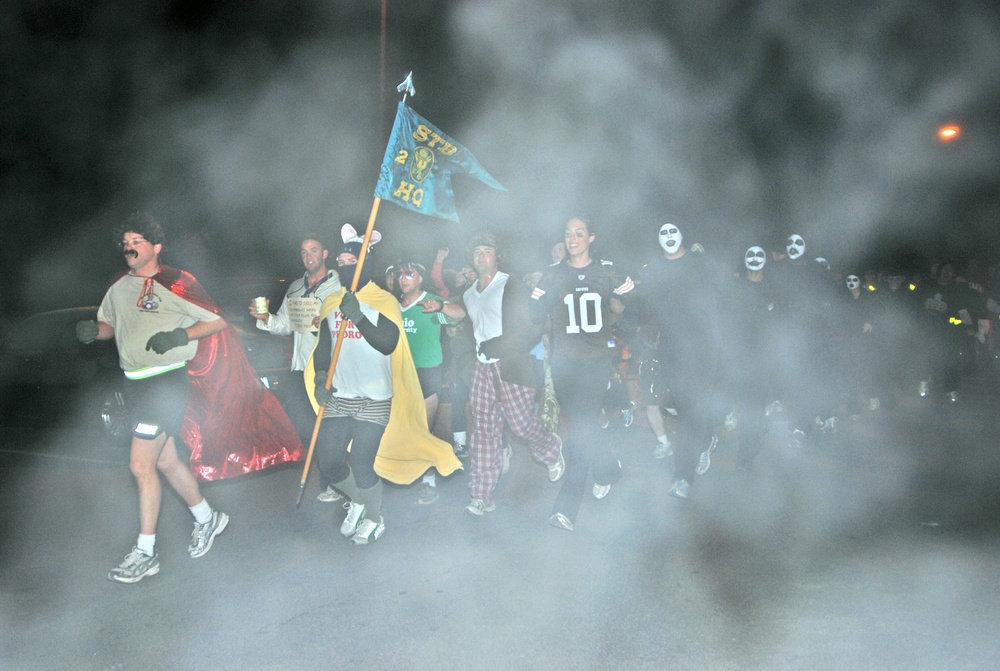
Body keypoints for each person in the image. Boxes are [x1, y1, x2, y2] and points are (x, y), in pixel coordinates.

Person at [76, 212, 301, 582]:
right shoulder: (118, 286)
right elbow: (110, 325)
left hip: (164, 385)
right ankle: (207, 518)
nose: (129, 248)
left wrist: (179, 337)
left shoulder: (177, 282)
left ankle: (146, 553)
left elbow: (216, 321)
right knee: (164, 462)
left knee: (139, 465)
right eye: (126, 242)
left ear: (156, 247)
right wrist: (93, 331)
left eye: (137, 241)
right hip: (134, 383)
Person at [305, 224, 461, 544]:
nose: (347, 267)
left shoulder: (383, 301)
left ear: (367, 265)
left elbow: (388, 342)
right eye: (343, 262)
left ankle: (375, 517)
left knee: (363, 463)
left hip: (374, 396)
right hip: (340, 395)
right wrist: (321, 376)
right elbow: (324, 346)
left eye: (354, 262)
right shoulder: (332, 300)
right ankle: (361, 501)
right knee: (331, 461)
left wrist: (359, 315)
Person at [530, 217, 633, 531]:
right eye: (568, 233)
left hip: (594, 362)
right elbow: (533, 312)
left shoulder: (607, 270)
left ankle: (566, 509)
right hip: (563, 363)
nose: (572, 238)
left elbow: (634, 302)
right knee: (583, 425)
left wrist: (617, 323)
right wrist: (543, 294)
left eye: (579, 233)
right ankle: (608, 470)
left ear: (591, 238)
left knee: (581, 431)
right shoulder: (554, 273)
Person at [461, 232, 564, 516]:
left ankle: (551, 448)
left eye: (487, 250)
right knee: (483, 431)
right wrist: (470, 359)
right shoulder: (469, 293)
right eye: (477, 251)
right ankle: (482, 495)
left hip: (513, 366)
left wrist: (498, 346)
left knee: (520, 425)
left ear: (497, 256)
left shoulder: (512, 285)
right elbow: (472, 328)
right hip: (483, 368)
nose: (481, 255)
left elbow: (533, 327)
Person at [248, 234, 342, 502]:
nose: (309, 256)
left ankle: (334, 482)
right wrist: (265, 317)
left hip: (329, 367)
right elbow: (284, 325)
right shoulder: (294, 289)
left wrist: (327, 320)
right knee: (305, 426)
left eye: (314, 250)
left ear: (325, 253)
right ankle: (335, 474)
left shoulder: (340, 286)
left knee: (330, 427)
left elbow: (352, 325)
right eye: (304, 252)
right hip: (300, 367)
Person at [635, 221, 724, 499]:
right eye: (663, 232)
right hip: (673, 353)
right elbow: (646, 313)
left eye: (673, 231)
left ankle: (683, 476)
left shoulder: (700, 264)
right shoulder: (654, 271)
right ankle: (699, 449)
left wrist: (719, 342)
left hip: (703, 350)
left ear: (683, 233)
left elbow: (718, 302)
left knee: (695, 411)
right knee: (687, 412)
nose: (669, 237)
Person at [395, 260, 467, 504]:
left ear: (420, 278)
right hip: (401, 373)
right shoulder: (394, 305)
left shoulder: (431, 301)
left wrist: (441, 307)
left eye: (409, 274)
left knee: (422, 430)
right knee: (403, 430)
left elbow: (459, 314)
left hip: (427, 373)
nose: (403, 278)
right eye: (400, 274)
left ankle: (429, 481)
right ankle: (405, 473)